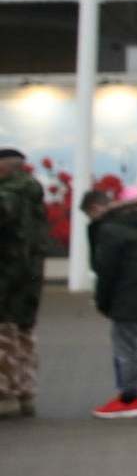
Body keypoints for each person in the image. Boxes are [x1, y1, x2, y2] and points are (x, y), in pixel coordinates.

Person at [87, 187, 137, 420]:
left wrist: (102, 301)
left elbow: (105, 269)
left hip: (128, 298)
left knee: (126, 349)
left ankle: (128, 399)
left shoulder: (112, 231)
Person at [0, 147, 45, 417]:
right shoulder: (33, 193)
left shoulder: (7, 195)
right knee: (25, 334)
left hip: (5, 277)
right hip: (30, 277)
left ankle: (4, 396)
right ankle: (26, 394)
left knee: (4, 336)